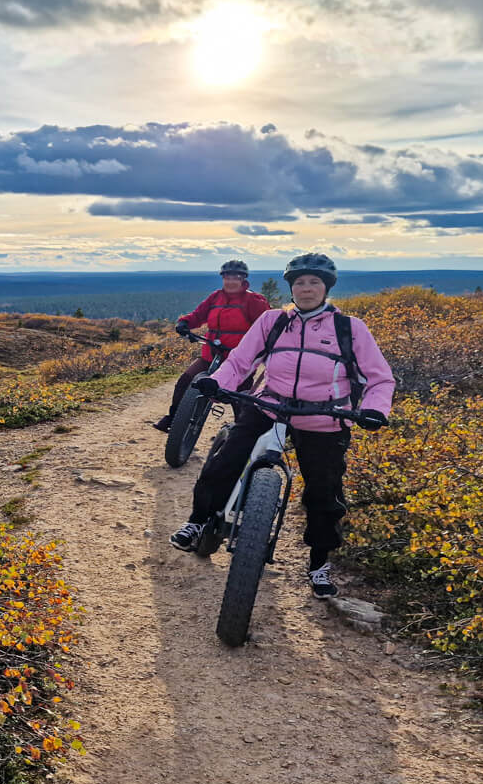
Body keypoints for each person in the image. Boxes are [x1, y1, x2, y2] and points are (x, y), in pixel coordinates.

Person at [169, 253, 395, 598]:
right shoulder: (273, 321)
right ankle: (199, 519)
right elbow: (242, 362)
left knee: (325, 492)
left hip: (324, 416)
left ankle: (319, 563)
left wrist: (375, 410)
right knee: (226, 459)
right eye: (299, 282)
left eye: (314, 282)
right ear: (291, 288)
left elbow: (380, 379)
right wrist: (217, 382)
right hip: (270, 404)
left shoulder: (350, 329)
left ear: (326, 288)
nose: (306, 289)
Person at [153, 260, 269, 432]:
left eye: (235, 277)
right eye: (227, 277)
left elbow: (266, 327)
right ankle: (173, 418)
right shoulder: (216, 297)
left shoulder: (254, 301)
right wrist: (184, 323)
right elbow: (198, 315)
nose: (231, 281)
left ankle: (240, 431)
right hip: (211, 353)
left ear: (243, 279)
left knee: (240, 395)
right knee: (186, 380)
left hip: (240, 359)